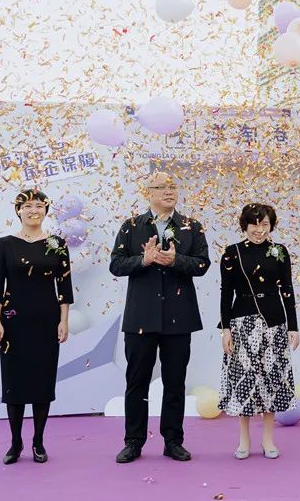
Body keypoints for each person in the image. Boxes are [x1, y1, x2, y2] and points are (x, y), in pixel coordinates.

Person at [110, 171, 211, 464]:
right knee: (136, 381)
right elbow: (116, 265)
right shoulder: (131, 227)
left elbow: (202, 264)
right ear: (149, 192)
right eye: (162, 187)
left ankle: (173, 441)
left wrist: (176, 260)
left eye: (173, 187)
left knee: (175, 382)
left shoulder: (191, 226)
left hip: (179, 317)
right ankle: (133, 442)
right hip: (140, 317)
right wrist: (144, 260)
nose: (169, 192)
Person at [0, 188, 73, 465]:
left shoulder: (57, 244)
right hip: (13, 321)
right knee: (14, 381)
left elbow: (65, 287)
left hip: (46, 321)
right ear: (18, 210)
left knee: (41, 381)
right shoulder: (5, 245)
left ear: (46, 210)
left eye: (39, 206)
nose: (33, 210)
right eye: (28, 206)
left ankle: (38, 441)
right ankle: (15, 442)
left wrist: (64, 320)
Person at [218, 203, 299, 460]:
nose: (259, 229)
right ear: (245, 225)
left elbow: (287, 290)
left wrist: (293, 326)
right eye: (254, 224)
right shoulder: (232, 253)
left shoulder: (279, 251)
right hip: (242, 322)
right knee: (245, 381)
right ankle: (244, 439)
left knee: (271, 380)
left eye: (265, 224)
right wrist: (226, 329)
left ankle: (268, 439)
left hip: (274, 323)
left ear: (271, 225)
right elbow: (226, 293)